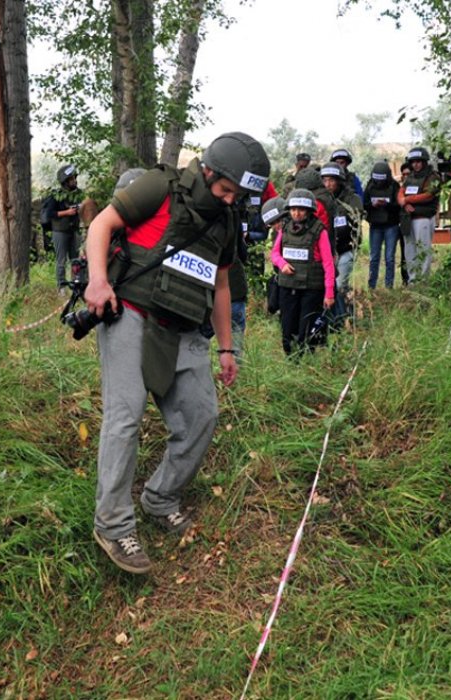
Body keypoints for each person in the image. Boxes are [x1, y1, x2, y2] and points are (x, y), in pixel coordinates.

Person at [82, 132, 271, 574]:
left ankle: (160, 496)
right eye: (226, 190)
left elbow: (221, 286)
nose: (229, 200)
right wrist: (97, 280)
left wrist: (227, 348)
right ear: (209, 171)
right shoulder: (159, 186)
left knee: (202, 416)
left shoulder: (224, 223)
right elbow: (101, 225)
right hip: (130, 312)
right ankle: (112, 524)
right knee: (125, 417)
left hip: (183, 326)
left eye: (239, 196)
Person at [271, 189, 335, 356]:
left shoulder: (319, 231)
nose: (296, 213)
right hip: (288, 286)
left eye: (301, 210)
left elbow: (328, 263)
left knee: (306, 329)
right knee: (287, 327)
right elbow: (275, 253)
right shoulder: (284, 228)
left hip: (311, 288)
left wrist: (329, 293)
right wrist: (282, 264)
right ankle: (291, 361)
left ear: (309, 211)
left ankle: (305, 360)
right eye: (293, 209)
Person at [319, 162, 363, 323]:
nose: (328, 184)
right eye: (324, 180)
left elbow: (357, 219)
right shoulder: (321, 199)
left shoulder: (352, 198)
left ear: (339, 181)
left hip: (346, 248)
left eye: (331, 180)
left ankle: (347, 318)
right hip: (327, 251)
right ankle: (334, 319)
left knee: (340, 284)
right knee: (329, 286)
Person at [397, 146, 440, 281]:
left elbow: (429, 195)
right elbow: (400, 193)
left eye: (418, 161)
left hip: (423, 219)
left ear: (424, 161)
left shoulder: (432, 176)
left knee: (423, 250)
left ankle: (423, 279)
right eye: (413, 162)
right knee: (409, 250)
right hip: (408, 218)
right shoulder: (410, 176)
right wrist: (404, 203)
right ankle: (412, 279)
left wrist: (408, 199)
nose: (415, 164)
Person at [43, 164, 85, 292]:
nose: (74, 181)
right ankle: (61, 287)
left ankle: (75, 285)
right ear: (65, 181)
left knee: (75, 260)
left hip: (75, 230)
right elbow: (49, 214)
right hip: (60, 231)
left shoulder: (79, 194)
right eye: (71, 179)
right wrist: (66, 213)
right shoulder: (55, 195)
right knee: (61, 261)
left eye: (74, 178)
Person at [363, 161, 402, 289]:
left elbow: (399, 205)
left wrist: (387, 204)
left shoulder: (394, 186)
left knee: (389, 257)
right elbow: (364, 204)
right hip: (375, 225)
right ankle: (371, 285)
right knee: (374, 257)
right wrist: (372, 205)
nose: (379, 183)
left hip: (391, 224)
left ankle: (389, 285)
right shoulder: (370, 185)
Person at [397, 160, 412, 286]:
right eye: (404, 174)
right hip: (402, 225)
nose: (406, 177)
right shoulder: (398, 189)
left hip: (415, 223)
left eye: (408, 174)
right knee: (404, 253)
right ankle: (405, 280)